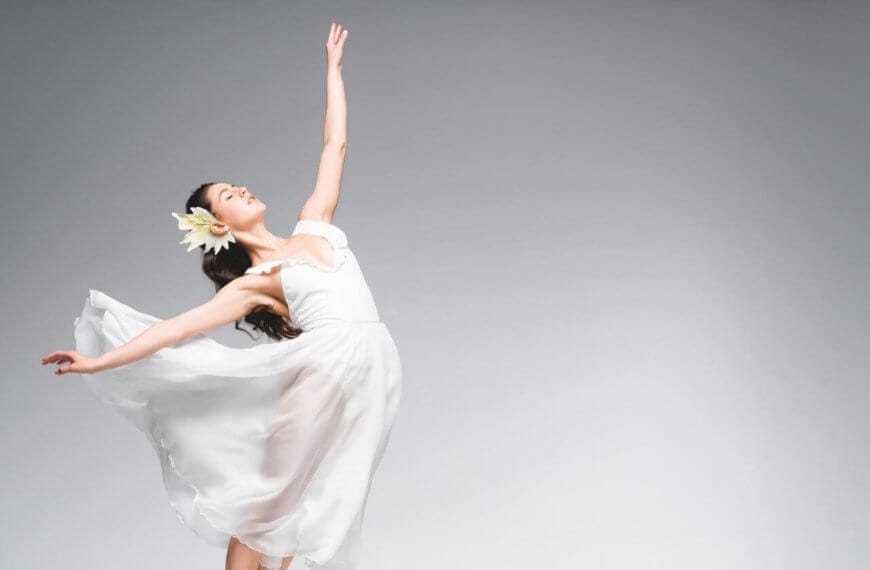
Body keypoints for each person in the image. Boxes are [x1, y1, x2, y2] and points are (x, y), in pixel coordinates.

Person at [40, 22, 402, 570]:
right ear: (218, 225)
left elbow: (336, 144)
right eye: (229, 195)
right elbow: (177, 329)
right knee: (270, 507)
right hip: (322, 379)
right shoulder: (256, 283)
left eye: (239, 184)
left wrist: (332, 72)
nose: (244, 189)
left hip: (370, 376)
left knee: (307, 509)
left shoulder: (317, 225)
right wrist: (99, 361)